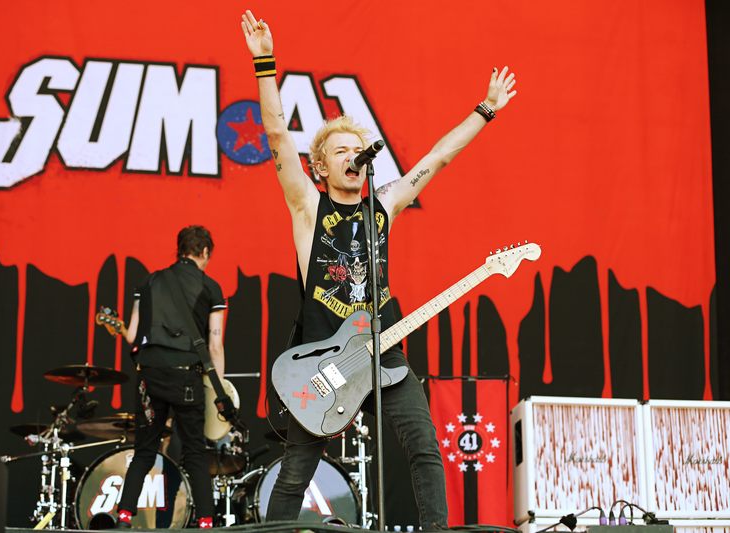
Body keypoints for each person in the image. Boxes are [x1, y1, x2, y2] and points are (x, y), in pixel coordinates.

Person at [240, 9, 517, 530]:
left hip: (383, 349)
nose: (352, 157)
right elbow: (277, 135)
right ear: (321, 166)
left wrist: (485, 110)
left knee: (424, 446)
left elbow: (438, 158)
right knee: (296, 472)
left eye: (356, 150)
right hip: (324, 360)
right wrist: (264, 64)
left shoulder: (383, 205)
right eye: (340, 151)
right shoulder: (308, 207)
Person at [114, 225, 227, 529]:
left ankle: (123, 517)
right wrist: (219, 390)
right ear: (205, 252)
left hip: (150, 377)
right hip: (186, 378)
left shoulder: (149, 282)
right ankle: (205, 521)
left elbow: (133, 335)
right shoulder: (210, 287)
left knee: (144, 451)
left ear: (180, 250)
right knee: (195, 453)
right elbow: (215, 345)